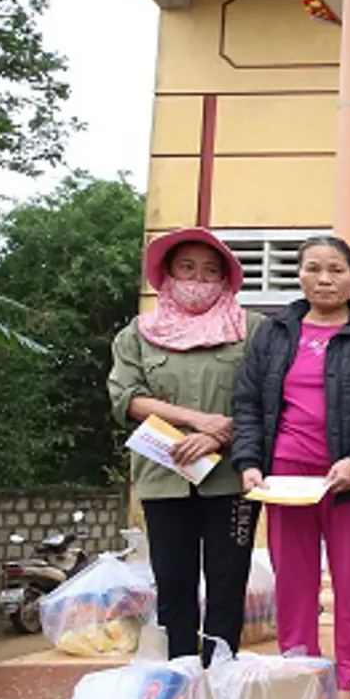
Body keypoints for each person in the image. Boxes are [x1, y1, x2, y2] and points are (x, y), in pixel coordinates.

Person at [232, 235, 350, 699]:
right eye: (313, 268)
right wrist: (249, 462)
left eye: (336, 269)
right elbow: (248, 402)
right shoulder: (274, 333)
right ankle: (301, 673)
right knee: (294, 581)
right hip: (286, 476)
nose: (325, 278)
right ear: (300, 274)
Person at [107, 228, 263, 663]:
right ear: (167, 274)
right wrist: (195, 421)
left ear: (227, 279)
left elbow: (268, 397)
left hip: (231, 477)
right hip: (164, 475)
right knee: (173, 583)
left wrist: (218, 434)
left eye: (211, 271)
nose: (199, 278)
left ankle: (222, 674)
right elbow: (127, 398)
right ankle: (180, 672)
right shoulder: (137, 333)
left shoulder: (251, 330)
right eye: (188, 268)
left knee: (228, 580)